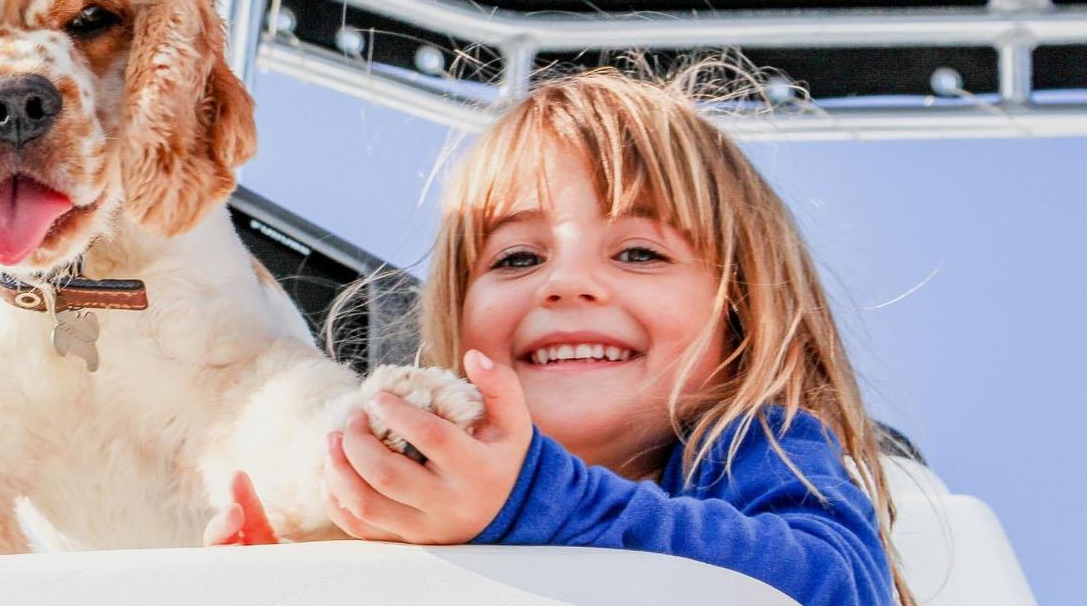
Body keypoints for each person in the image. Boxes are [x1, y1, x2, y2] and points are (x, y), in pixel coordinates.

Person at [206, 64, 914, 606]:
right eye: (518, 258)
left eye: (639, 252)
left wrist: (529, 502)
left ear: (742, 314)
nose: (564, 284)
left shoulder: (750, 448)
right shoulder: (408, 513)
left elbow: (835, 587)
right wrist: (288, 579)